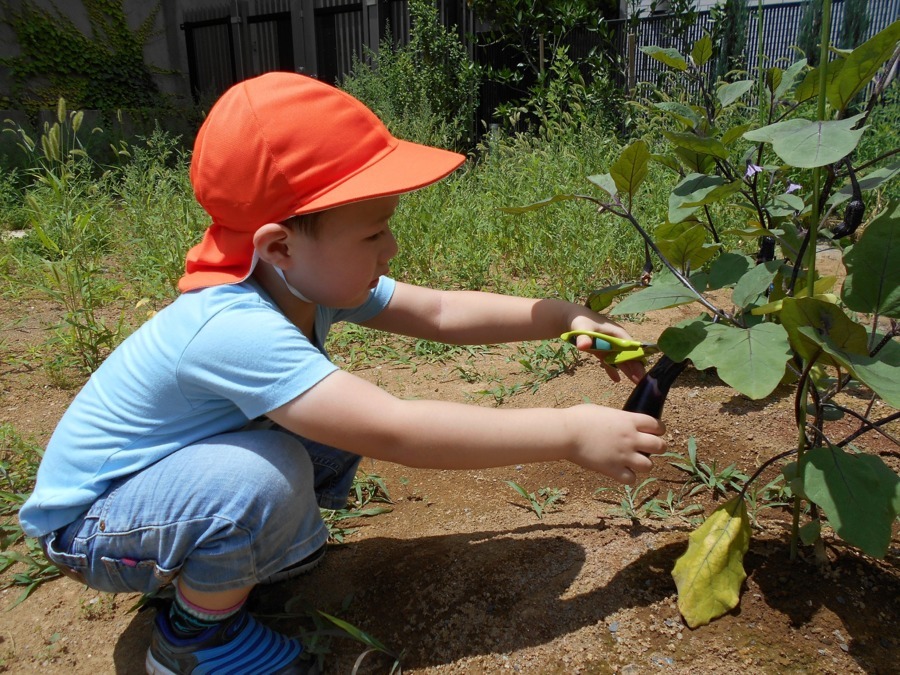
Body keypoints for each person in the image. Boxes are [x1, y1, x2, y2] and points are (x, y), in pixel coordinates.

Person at [19, 72, 667, 675]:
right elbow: (396, 428)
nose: (390, 249)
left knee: (314, 429)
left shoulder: (296, 278)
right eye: (373, 233)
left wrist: (564, 316)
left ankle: (235, 562)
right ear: (279, 246)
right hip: (91, 527)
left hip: (157, 488)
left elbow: (439, 311)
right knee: (269, 468)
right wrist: (569, 431)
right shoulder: (232, 325)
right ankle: (192, 640)